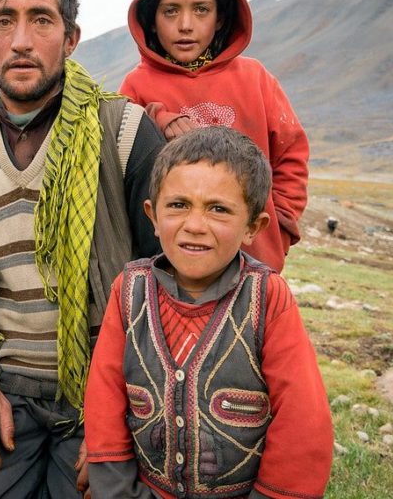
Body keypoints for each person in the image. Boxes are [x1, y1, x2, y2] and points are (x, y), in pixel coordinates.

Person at [0, 0, 165, 499]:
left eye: (41, 19)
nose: (21, 39)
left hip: (102, 391)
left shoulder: (124, 134)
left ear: (71, 37)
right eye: (4, 20)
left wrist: (122, 414)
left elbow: (164, 286)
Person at [84, 126, 333, 499]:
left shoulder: (267, 299)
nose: (195, 226)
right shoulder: (129, 290)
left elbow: (303, 422)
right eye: (178, 205)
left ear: (254, 226)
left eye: (218, 209)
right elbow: (105, 397)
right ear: (152, 215)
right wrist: (115, 489)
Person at [119, 0, 309, 272]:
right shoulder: (136, 87)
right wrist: (154, 120)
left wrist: (281, 227)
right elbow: (121, 173)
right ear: (151, 18)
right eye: (170, 12)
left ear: (220, 17)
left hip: (253, 262)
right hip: (168, 269)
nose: (185, 25)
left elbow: (291, 153)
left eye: (201, 10)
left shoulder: (254, 78)